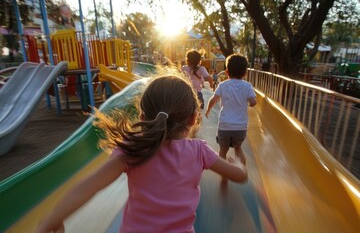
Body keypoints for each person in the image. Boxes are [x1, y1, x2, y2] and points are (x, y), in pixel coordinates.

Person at [37, 70, 247, 233]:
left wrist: (51, 219)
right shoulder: (199, 151)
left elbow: (89, 187)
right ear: (193, 119)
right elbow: (238, 176)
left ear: (142, 115)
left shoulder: (133, 149)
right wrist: (238, 163)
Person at [205, 54, 257, 165]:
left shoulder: (223, 85)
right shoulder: (247, 86)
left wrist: (208, 110)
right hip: (240, 126)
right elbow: (253, 102)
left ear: (227, 72)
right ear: (245, 73)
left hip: (224, 125)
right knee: (238, 148)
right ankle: (241, 170)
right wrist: (249, 102)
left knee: (223, 150)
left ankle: (224, 174)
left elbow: (213, 100)